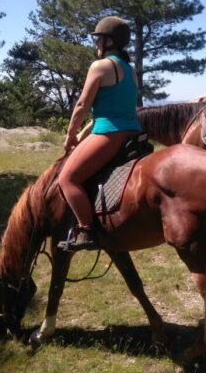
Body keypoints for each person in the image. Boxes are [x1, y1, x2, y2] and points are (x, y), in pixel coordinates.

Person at [56, 16, 141, 252]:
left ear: (108, 40)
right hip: (132, 132)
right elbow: (108, 111)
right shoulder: (130, 71)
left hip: (110, 134)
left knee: (67, 179)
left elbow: (82, 105)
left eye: (98, 38)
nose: (96, 43)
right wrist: (82, 136)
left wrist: (69, 134)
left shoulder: (100, 66)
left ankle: (86, 230)